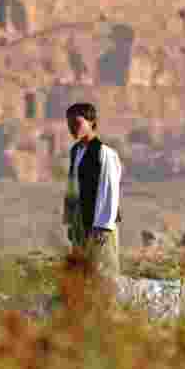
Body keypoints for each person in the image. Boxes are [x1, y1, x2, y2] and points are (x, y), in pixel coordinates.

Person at [62, 102, 123, 279]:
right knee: (80, 273)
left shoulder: (105, 153)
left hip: (100, 225)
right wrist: (71, 220)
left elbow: (109, 188)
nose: (72, 128)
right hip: (80, 223)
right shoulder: (75, 151)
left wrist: (103, 226)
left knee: (103, 272)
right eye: (69, 124)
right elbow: (72, 187)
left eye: (77, 123)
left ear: (92, 122)